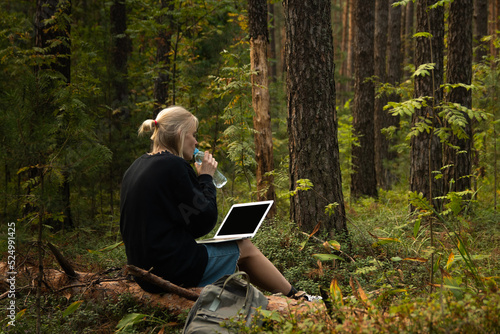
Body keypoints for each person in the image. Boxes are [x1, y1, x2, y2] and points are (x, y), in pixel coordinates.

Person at [120, 105, 299, 297]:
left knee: (224, 250)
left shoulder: (137, 166)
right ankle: (298, 297)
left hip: (144, 271)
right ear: (181, 134)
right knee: (245, 247)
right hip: (170, 270)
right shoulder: (174, 165)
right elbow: (204, 221)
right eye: (193, 134)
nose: (195, 142)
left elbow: (175, 219)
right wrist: (206, 178)